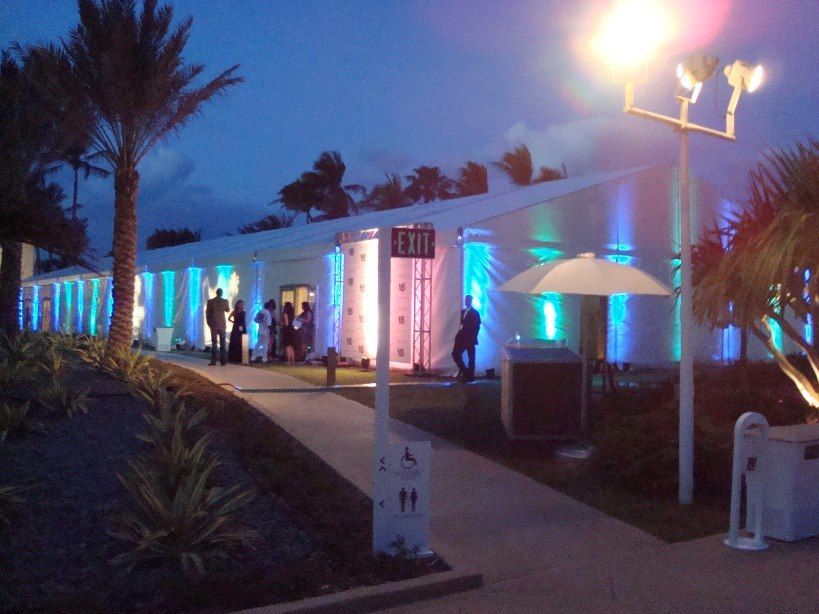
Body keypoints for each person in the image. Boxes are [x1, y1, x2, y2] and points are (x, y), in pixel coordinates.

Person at [451, 294, 481, 382]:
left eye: (468, 300)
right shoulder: (463, 312)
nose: (466, 301)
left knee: (471, 357)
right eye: (465, 300)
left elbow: (477, 326)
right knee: (455, 354)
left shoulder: (475, 313)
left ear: (471, 301)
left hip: (470, 337)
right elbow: (462, 324)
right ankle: (466, 372)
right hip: (461, 336)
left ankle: (470, 375)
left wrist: (473, 336)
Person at [205, 288, 229, 366]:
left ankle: (213, 361)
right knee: (223, 344)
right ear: (221, 293)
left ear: (216, 293)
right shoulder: (225, 301)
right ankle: (223, 361)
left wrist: (209, 323)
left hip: (214, 324)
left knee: (214, 343)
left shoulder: (210, 302)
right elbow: (227, 310)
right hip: (222, 325)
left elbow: (207, 313)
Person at [227, 299, 246, 364]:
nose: (242, 305)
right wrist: (234, 322)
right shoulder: (234, 312)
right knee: (235, 341)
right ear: (238, 305)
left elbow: (242, 320)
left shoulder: (243, 312)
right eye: (241, 304)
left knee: (242, 341)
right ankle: (233, 357)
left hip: (242, 327)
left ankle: (242, 358)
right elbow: (229, 318)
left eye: (242, 304)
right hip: (236, 327)